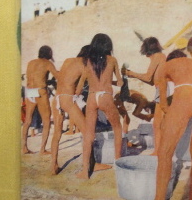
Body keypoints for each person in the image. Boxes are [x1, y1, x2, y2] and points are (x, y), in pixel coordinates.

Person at [131, 34, 192, 200]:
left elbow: (159, 77)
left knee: (165, 152)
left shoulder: (176, 62)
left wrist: (165, 104)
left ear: (191, 52)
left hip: (185, 94)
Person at [75, 34, 123, 179]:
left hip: (91, 97)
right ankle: (118, 164)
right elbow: (120, 83)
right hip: (105, 96)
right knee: (117, 128)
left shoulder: (88, 62)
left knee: (88, 134)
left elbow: (80, 85)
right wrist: (116, 81)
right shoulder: (112, 60)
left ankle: (85, 171)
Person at [50, 45, 90, 175]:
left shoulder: (67, 60)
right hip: (68, 99)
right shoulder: (85, 66)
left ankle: (53, 165)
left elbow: (61, 79)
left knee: (57, 133)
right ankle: (88, 166)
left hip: (57, 99)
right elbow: (78, 90)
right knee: (87, 132)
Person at [123, 37, 166, 155]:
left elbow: (147, 77)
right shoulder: (160, 57)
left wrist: (131, 73)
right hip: (161, 89)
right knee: (159, 123)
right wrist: (133, 76)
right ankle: (159, 151)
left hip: (162, 90)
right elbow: (151, 81)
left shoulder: (157, 56)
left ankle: (157, 152)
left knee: (157, 124)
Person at [21, 45, 58, 155]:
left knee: (27, 120)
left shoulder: (31, 62)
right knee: (46, 121)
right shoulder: (47, 63)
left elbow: (34, 76)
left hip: (29, 91)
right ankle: (42, 149)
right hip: (40, 91)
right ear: (49, 53)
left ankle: (24, 148)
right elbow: (57, 76)